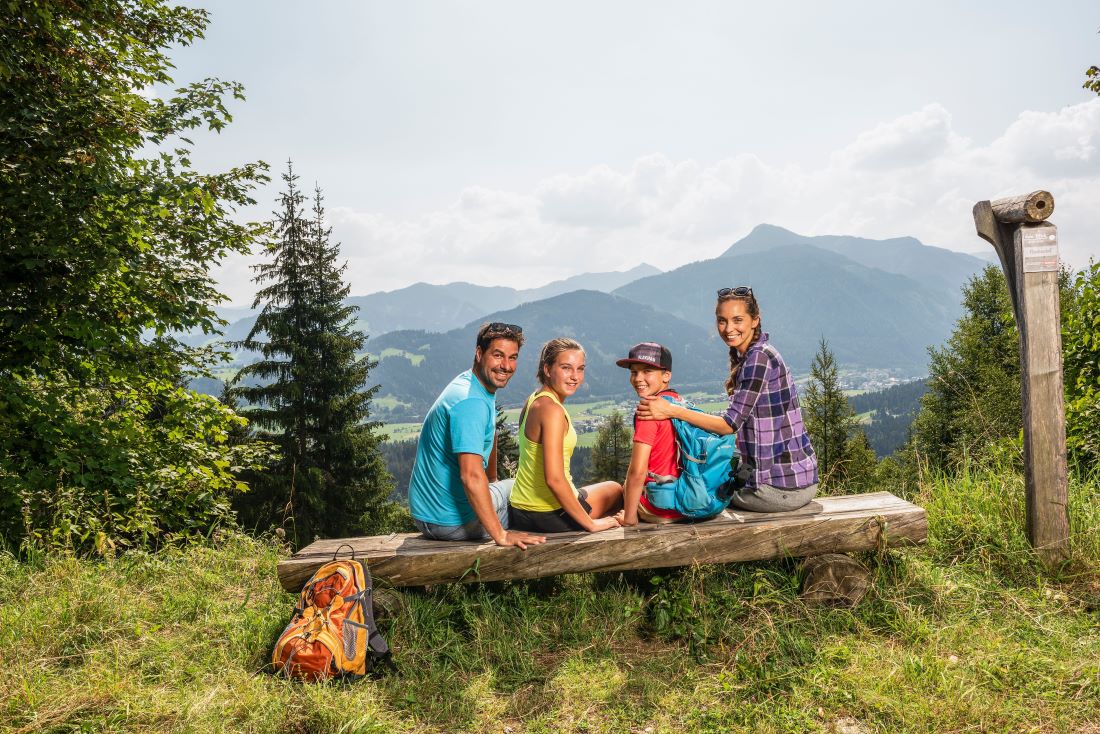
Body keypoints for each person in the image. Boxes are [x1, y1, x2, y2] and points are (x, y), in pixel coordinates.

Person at [637, 287, 818, 512]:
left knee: (696, 500)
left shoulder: (758, 359)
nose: (729, 328)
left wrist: (672, 410)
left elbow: (728, 426)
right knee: (704, 488)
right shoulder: (758, 353)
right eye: (722, 321)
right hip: (796, 480)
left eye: (737, 320)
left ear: (755, 320)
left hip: (781, 488)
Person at [408, 322, 546, 548]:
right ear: (479, 353)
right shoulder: (471, 402)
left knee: (520, 487)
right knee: (533, 494)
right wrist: (500, 535)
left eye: (513, 357)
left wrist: (491, 480)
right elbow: (470, 476)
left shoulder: (472, 385)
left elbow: (489, 434)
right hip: (448, 521)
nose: (506, 366)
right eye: (498, 355)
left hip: (430, 512)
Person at [509, 338, 624, 533]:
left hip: (520, 508)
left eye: (580, 369)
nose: (575, 376)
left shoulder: (534, 399)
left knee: (613, 488)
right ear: (547, 369)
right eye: (566, 368)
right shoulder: (551, 410)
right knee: (620, 494)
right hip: (547, 514)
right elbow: (554, 478)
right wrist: (591, 524)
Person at [615, 342, 685, 525]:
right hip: (685, 500)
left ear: (666, 375)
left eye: (647, 371)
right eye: (633, 372)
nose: (638, 378)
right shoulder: (679, 403)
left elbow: (637, 471)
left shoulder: (648, 410)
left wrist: (629, 519)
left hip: (659, 507)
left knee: (614, 492)